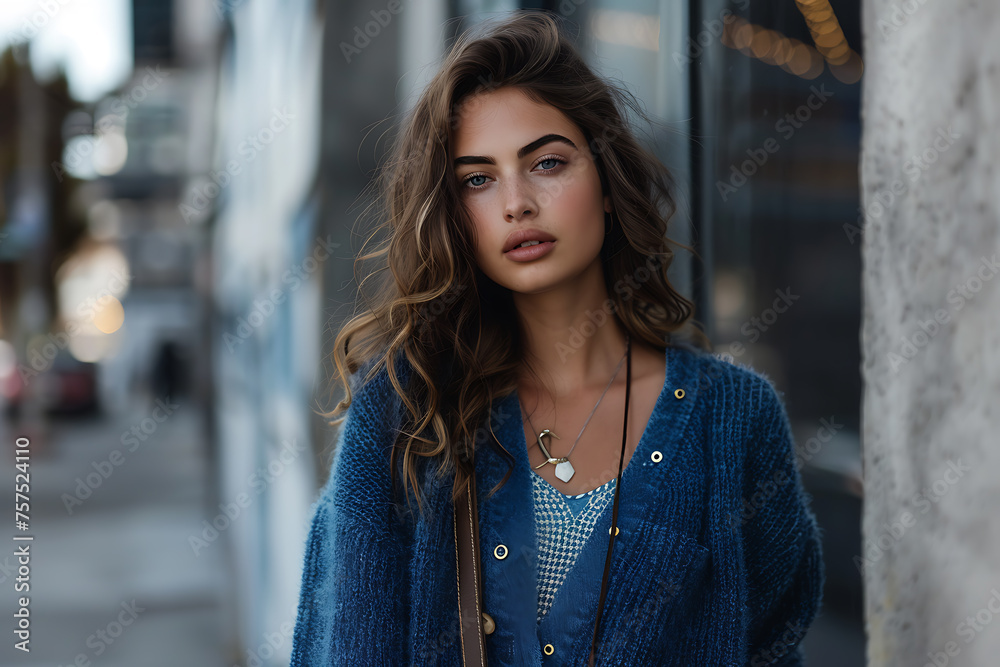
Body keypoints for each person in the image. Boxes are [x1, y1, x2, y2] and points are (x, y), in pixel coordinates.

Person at [290, 10, 823, 666]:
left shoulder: (734, 421)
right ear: (455, 215)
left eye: (546, 162)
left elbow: (772, 646)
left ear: (604, 181)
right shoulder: (404, 411)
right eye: (478, 179)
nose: (517, 202)